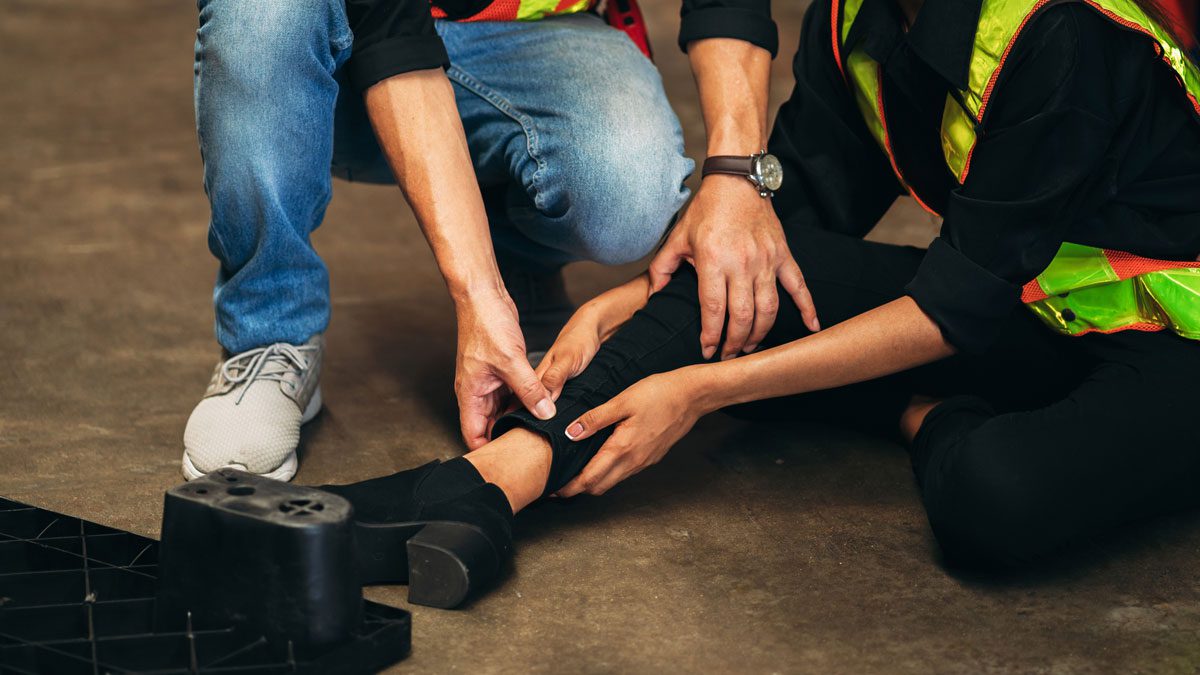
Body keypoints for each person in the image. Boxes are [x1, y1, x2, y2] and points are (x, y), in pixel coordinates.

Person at [318, 0, 1200, 609]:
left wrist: (707, 390)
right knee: (750, 280)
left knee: (995, 495)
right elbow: (796, 216)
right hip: (1033, 309)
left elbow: (953, 309)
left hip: (1173, 346)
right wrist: (626, 303)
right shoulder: (862, 14)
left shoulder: (1067, 34)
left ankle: (920, 411)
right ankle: (492, 482)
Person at [182, 0, 716, 482]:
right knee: (261, 15)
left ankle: (522, 277)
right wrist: (476, 295)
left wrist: (738, 172)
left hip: (531, 27)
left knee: (626, 187)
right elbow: (391, 27)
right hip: (327, 37)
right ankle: (269, 332)